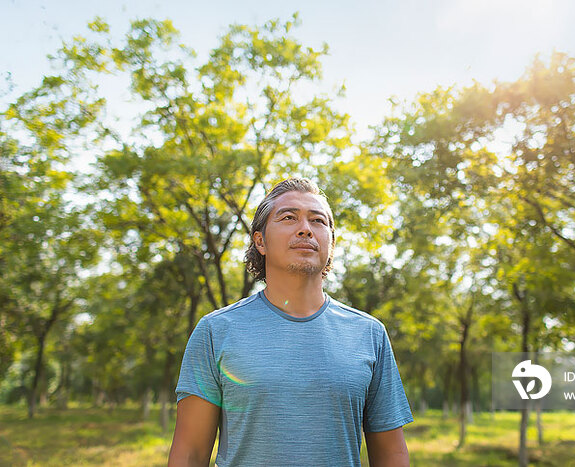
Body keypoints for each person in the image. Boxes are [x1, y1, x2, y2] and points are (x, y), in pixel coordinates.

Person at [168, 178, 413, 467]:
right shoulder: (215, 331)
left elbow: (392, 455)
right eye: (288, 217)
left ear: (330, 243)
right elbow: (190, 454)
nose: (306, 228)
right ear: (260, 241)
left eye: (318, 220)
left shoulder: (370, 334)